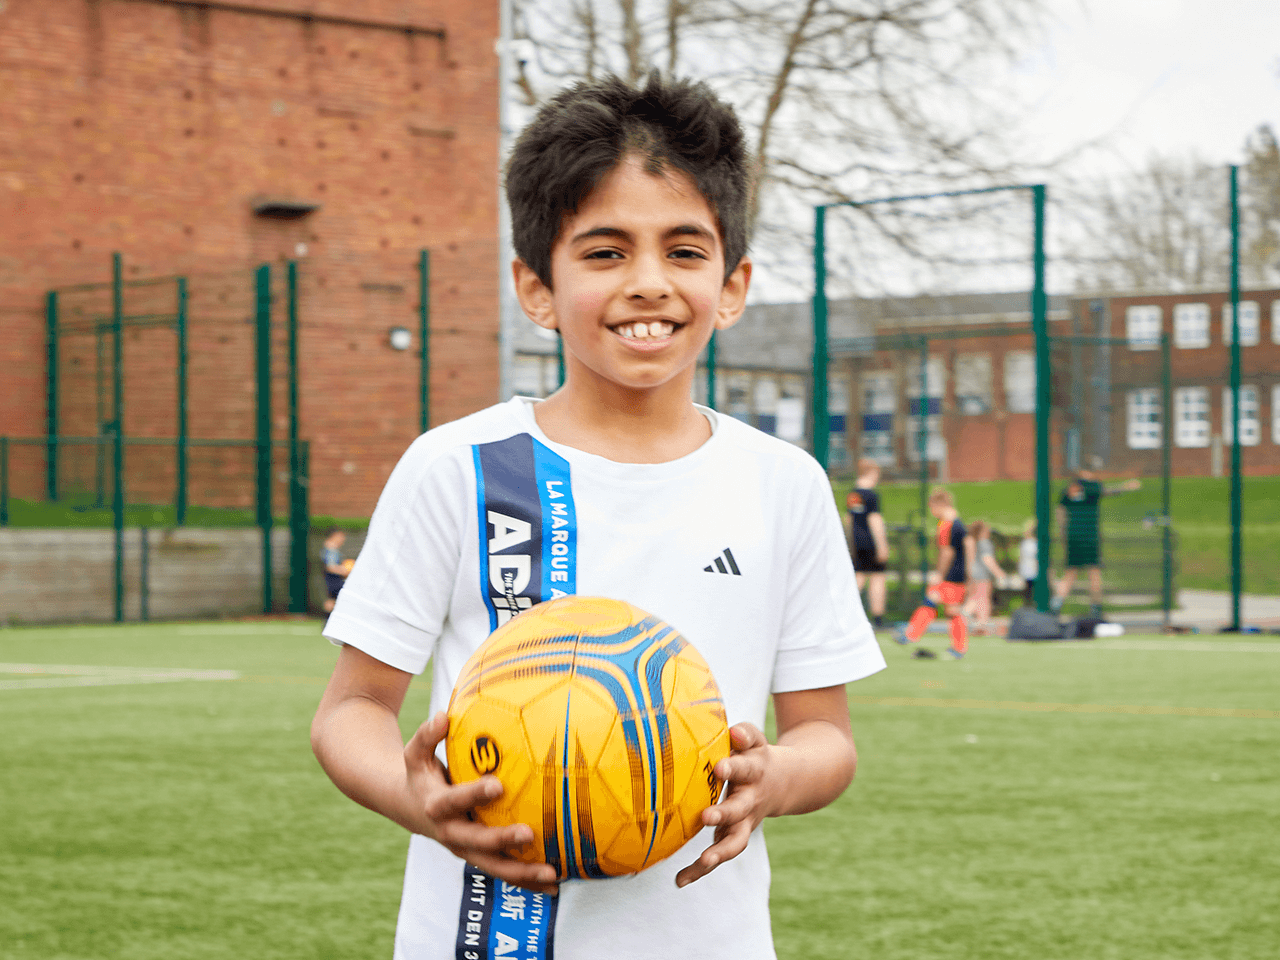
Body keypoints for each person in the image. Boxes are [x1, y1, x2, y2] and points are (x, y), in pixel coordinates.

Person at [309, 73, 886, 960]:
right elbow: (350, 710)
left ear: (732, 286)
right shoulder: (461, 466)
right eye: (607, 252)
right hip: (481, 941)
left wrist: (774, 778)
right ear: (536, 287)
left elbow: (826, 737)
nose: (649, 284)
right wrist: (412, 796)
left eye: (685, 253)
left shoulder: (783, 482)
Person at [894, 488, 972, 658]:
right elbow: (968, 546)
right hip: (958, 572)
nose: (931, 511)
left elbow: (947, 552)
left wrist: (940, 573)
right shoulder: (958, 522)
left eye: (932, 507)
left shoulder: (946, 524)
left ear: (939, 504)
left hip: (950, 574)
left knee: (952, 610)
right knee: (932, 600)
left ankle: (958, 648)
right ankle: (911, 635)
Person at [1051, 467, 1141, 616]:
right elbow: (1108, 491)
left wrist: (1064, 534)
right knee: (1094, 572)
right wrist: (1126, 486)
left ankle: (1056, 605)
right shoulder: (1093, 487)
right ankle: (1095, 608)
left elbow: (1060, 512)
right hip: (1089, 535)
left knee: (1071, 572)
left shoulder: (1069, 488)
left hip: (1073, 535)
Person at [847, 458, 890, 630]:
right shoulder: (871, 495)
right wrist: (882, 545)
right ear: (872, 473)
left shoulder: (853, 495)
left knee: (859, 577)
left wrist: (851, 544)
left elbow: (849, 520)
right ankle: (878, 619)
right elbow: (875, 521)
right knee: (877, 578)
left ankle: (847, 614)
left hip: (857, 543)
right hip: (871, 542)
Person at [961, 520, 1005, 636]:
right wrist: (999, 573)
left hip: (974, 574)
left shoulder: (972, 542)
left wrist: (969, 574)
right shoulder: (985, 543)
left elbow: (969, 561)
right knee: (983, 600)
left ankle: (974, 622)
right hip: (983, 576)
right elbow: (988, 559)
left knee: (976, 598)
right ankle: (979, 623)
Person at [320, 527, 348, 614]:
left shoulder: (328, 548)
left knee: (331, 601)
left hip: (331, 580)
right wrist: (345, 570)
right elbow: (331, 567)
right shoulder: (331, 550)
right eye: (340, 536)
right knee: (333, 601)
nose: (343, 539)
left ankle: (327, 622)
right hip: (333, 580)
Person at [1018, 517, 1038, 604]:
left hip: (1029, 571)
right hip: (1031, 571)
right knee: (1030, 592)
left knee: (1029, 592)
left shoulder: (1026, 543)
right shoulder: (1031, 543)